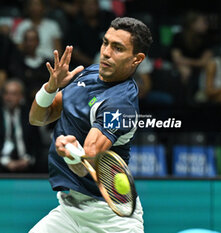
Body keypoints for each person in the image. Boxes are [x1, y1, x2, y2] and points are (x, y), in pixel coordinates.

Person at [29, 17, 152, 232]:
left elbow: (86, 162)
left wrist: (72, 152)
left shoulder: (121, 104)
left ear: (136, 59)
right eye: (106, 43)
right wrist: (50, 88)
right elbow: (37, 118)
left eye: (118, 48)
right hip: (69, 211)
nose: (106, 52)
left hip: (111, 218)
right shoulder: (91, 73)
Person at [0, 79, 42, 173]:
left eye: (14, 94)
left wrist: (29, 159)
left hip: (25, 160)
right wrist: (4, 161)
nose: (9, 98)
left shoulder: (29, 115)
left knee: (44, 161)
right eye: (6, 94)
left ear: (21, 97)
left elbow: (37, 142)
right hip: (0, 160)